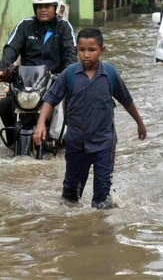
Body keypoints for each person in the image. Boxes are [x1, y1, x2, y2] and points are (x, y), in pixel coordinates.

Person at [32, 28, 147, 209]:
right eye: (81, 50)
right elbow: (50, 99)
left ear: (102, 50)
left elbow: (126, 100)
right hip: (76, 143)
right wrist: (40, 124)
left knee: (102, 198)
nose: (86, 55)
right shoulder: (69, 74)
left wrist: (140, 124)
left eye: (91, 50)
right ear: (77, 50)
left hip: (104, 143)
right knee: (70, 196)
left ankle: (100, 232)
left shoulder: (109, 74)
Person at [0, 0, 77, 147]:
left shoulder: (64, 27)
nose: (43, 10)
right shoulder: (24, 26)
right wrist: (1, 69)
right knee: (4, 105)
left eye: (47, 6)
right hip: (27, 82)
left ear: (55, 7)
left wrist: (69, 75)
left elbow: (71, 54)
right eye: (39, 6)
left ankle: (61, 139)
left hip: (55, 81)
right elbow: (11, 48)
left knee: (72, 104)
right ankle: (13, 142)